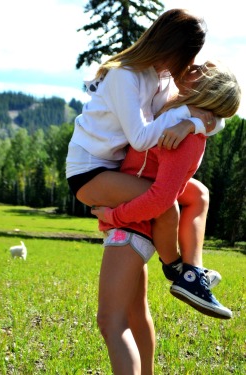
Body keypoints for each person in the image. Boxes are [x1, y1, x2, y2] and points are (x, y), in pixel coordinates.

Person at [92, 60, 241, 374]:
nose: (195, 63)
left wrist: (113, 215)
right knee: (135, 315)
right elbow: (220, 118)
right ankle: (190, 272)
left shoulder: (182, 135)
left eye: (203, 69)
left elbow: (160, 200)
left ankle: (184, 272)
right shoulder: (183, 116)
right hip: (136, 219)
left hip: (133, 224)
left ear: (205, 92)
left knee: (110, 320)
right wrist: (195, 122)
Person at [66, 9, 223, 292]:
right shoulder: (123, 75)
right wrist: (188, 113)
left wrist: (191, 124)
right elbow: (139, 139)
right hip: (90, 170)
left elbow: (218, 119)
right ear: (173, 48)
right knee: (165, 205)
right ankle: (176, 270)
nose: (191, 63)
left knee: (199, 193)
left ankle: (194, 270)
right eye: (189, 55)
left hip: (119, 168)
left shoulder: (162, 77)